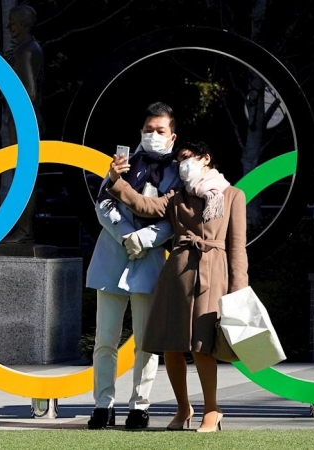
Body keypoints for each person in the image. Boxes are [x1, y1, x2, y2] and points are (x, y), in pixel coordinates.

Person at [105, 140, 249, 433]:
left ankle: (212, 410)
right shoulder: (177, 196)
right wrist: (115, 180)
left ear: (205, 158)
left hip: (213, 274)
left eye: (187, 158)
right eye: (179, 159)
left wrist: (239, 289)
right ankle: (183, 408)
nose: (182, 164)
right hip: (177, 274)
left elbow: (237, 247)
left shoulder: (232, 195)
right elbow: (144, 205)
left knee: (202, 345)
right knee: (171, 345)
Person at [85, 102, 183, 430]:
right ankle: (103, 405)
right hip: (112, 257)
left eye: (160, 131)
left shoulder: (179, 171)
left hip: (150, 262)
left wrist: (145, 239)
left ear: (172, 136)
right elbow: (103, 203)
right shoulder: (122, 163)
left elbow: (176, 219)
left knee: (146, 341)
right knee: (105, 339)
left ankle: (139, 406)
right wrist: (127, 234)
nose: (153, 135)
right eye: (148, 129)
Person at [0, 4, 45, 246]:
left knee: (23, 178)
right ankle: (23, 230)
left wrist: (8, 79)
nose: (9, 26)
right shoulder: (28, 48)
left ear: (23, 24)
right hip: (24, 121)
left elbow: (30, 92)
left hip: (23, 121)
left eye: (12, 22)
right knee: (23, 176)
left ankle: (24, 231)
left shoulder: (25, 51)